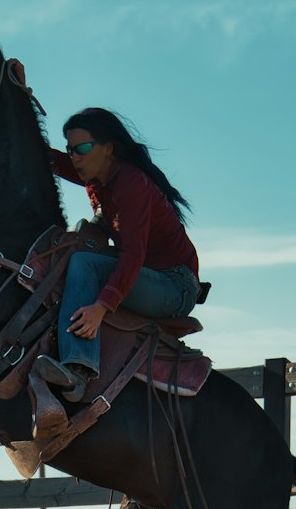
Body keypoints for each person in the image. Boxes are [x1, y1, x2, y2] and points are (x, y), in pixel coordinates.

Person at [38, 108, 202, 402]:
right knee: (72, 253)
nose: (75, 157)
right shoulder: (95, 176)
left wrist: (101, 307)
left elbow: (133, 254)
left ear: (108, 148)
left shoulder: (130, 182)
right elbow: (47, 158)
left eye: (83, 148)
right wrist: (18, 98)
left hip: (174, 285)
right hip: (145, 275)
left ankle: (78, 368)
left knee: (84, 263)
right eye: (71, 150)